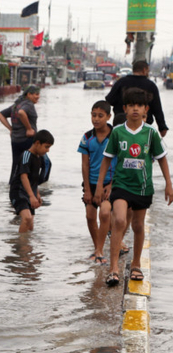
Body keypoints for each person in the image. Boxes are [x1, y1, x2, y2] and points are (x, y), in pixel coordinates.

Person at [94, 87, 173, 287]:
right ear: (125, 109)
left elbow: (162, 159)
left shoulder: (151, 133)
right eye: (131, 105)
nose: (135, 109)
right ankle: (113, 268)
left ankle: (136, 264)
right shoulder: (118, 132)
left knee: (138, 226)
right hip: (121, 185)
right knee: (119, 220)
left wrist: (169, 185)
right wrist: (99, 186)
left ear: (145, 109)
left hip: (143, 187)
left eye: (139, 105)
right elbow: (106, 160)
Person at [78, 100, 115, 264]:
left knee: (105, 212)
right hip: (91, 184)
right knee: (90, 216)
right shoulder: (87, 137)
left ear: (109, 116)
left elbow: (120, 162)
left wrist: (112, 185)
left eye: (101, 116)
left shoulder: (116, 136)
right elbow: (85, 164)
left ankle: (100, 249)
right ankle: (97, 248)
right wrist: (87, 189)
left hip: (108, 184)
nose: (96, 119)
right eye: (94, 115)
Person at [105, 59, 168, 136]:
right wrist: (162, 127)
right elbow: (157, 108)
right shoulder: (151, 85)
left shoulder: (121, 82)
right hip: (143, 127)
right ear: (144, 70)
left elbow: (109, 100)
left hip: (121, 125)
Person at [9, 129, 54, 233]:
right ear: (37, 143)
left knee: (30, 227)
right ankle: (20, 246)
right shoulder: (26, 155)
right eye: (46, 147)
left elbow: (33, 179)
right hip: (18, 192)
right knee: (27, 218)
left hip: (30, 192)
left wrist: (36, 193)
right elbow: (23, 176)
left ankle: (25, 245)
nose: (48, 150)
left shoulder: (39, 158)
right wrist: (31, 196)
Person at [0, 85, 40, 183]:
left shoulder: (16, 105)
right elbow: (21, 113)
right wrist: (29, 129)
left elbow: (0, 114)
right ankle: (33, 188)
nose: (38, 97)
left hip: (15, 140)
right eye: (36, 94)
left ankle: (13, 185)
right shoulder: (28, 104)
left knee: (16, 164)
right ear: (29, 94)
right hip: (27, 140)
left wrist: (11, 129)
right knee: (35, 164)